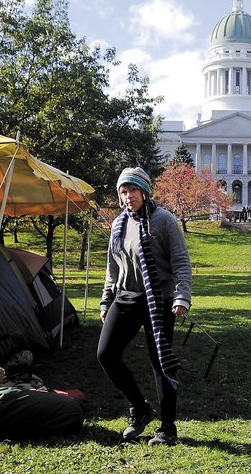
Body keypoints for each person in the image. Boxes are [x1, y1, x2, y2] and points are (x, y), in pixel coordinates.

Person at [96, 167, 192, 446]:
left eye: (133, 190)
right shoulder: (118, 224)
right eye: (123, 192)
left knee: (160, 362)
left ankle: (167, 428)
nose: (128, 196)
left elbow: (181, 261)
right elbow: (112, 267)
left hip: (159, 299)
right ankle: (140, 409)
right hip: (125, 297)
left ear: (145, 191)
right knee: (106, 354)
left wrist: (181, 296)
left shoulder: (164, 220)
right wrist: (106, 299)